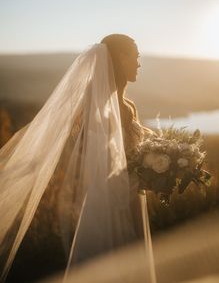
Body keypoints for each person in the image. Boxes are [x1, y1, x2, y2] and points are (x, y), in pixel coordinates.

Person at [0, 34, 155, 283]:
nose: (139, 63)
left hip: (133, 198)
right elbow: (92, 158)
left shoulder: (127, 107)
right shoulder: (96, 109)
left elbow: (130, 154)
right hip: (107, 201)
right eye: (136, 57)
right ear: (121, 57)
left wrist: (156, 166)